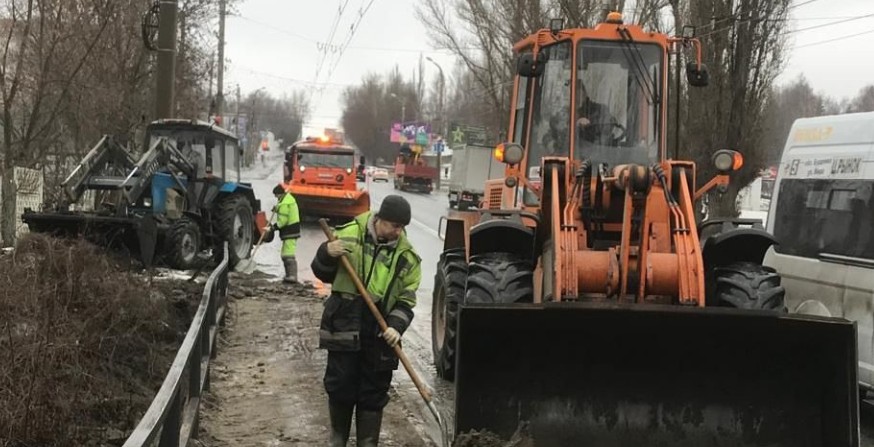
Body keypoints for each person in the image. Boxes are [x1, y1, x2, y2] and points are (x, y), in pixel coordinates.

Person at [311, 195, 421, 447]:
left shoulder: (407, 256)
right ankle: (338, 439)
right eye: (394, 225)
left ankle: (367, 443)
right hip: (345, 322)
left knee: (373, 392)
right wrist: (326, 253)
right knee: (340, 386)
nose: (398, 231)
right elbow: (322, 272)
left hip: (380, 328)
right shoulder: (349, 233)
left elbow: (406, 299)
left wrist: (396, 325)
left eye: (402, 227)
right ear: (380, 219)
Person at [272, 184, 300, 283]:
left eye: (276, 195)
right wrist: (277, 209)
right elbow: (284, 211)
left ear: (279, 194)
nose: (276, 197)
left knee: (288, 254)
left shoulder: (284, 203)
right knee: (285, 254)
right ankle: (289, 275)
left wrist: (273, 227)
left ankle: (292, 276)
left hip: (290, 231)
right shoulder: (288, 199)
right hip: (292, 230)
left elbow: (283, 220)